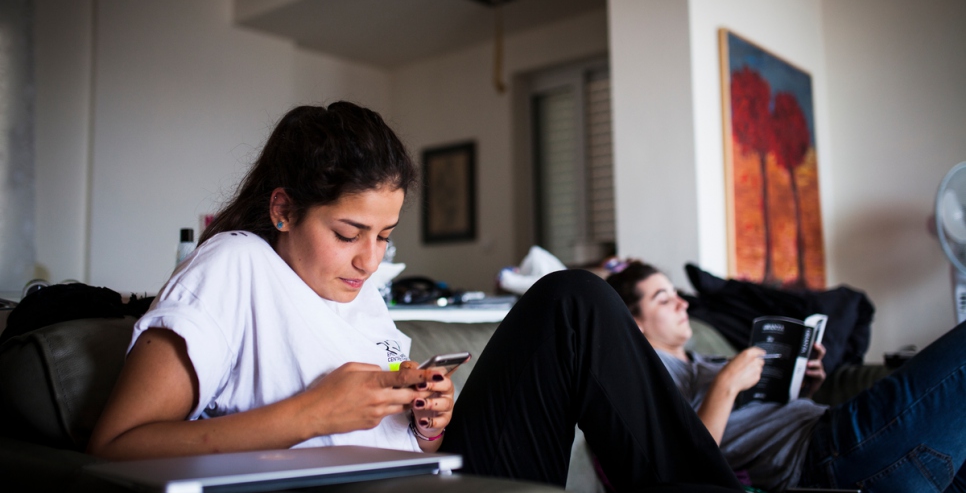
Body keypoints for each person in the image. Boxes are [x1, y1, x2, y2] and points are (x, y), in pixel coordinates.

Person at [87, 102, 742, 492]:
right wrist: (312, 412)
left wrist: (429, 417)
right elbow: (117, 444)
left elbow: (409, 437)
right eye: (348, 233)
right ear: (283, 208)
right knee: (573, 297)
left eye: (385, 236)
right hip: (354, 487)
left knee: (574, 299)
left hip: (434, 473)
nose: (370, 260)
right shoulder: (234, 266)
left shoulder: (363, 289)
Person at [606, 260, 966, 492]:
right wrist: (727, 383)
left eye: (675, 293)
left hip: (833, 435)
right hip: (824, 457)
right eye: (663, 299)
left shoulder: (702, 359)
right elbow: (681, 469)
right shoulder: (649, 372)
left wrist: (805, 386)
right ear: (634, 322)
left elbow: (756, 421)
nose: (683, 303)